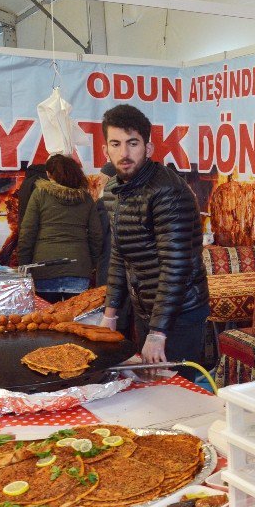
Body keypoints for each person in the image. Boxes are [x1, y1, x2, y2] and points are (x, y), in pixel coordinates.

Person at [98, 104, 209, 379]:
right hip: (145, 308)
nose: (124, 153)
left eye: (132, 143)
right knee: (150, 384)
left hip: (181, 313)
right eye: (116, 144)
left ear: (148, 148)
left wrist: (158, 333)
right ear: (106, 151)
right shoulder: (112, 192)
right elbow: (119, 255)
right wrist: (110, 315)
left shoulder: (167, 191)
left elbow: (176, 266)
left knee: (178, 392)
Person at [17, 154, 101, 303]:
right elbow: (96, 236)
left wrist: (24, 265)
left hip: (45, 269)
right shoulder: (86, 199)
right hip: (78, 268)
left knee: (47, 322)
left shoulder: (40, 194)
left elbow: (27, 233)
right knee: (76, 321)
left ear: (49, 175)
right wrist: (90, 263)